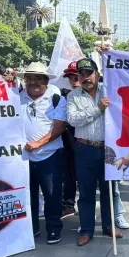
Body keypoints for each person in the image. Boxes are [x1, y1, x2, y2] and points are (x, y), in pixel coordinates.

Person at [67, 58, 123, 246]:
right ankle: (87, 229)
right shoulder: (73, 96)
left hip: (107, 148)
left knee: (109, 190)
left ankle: (109, 225)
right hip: (84, 148)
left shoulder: (109, 91)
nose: (85, 77)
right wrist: (98, 109)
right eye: (81, 74)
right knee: (86, 193)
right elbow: (73, 121)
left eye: (89, 73)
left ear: (97, 74)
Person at [19, 62, 67, 244]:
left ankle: (54, 228)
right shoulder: (16, 97)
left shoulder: (56, 98)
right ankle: (32, 228)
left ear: (46, 81)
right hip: (24, 157)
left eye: (38, 78)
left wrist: (38, 143)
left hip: (50, 155)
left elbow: (59, 127)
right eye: (29, 78)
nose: (33, 82)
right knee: (28, 195)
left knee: (52, 194)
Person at [60, 61, 81, 216]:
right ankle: (68, 203)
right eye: (71, 78)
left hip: (89, 144)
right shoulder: (62, 97)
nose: (74, 82)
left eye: (77, 77)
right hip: (68, 143)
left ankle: (87, 208)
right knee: (68, 175)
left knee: (86, 179)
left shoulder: (97, 96)